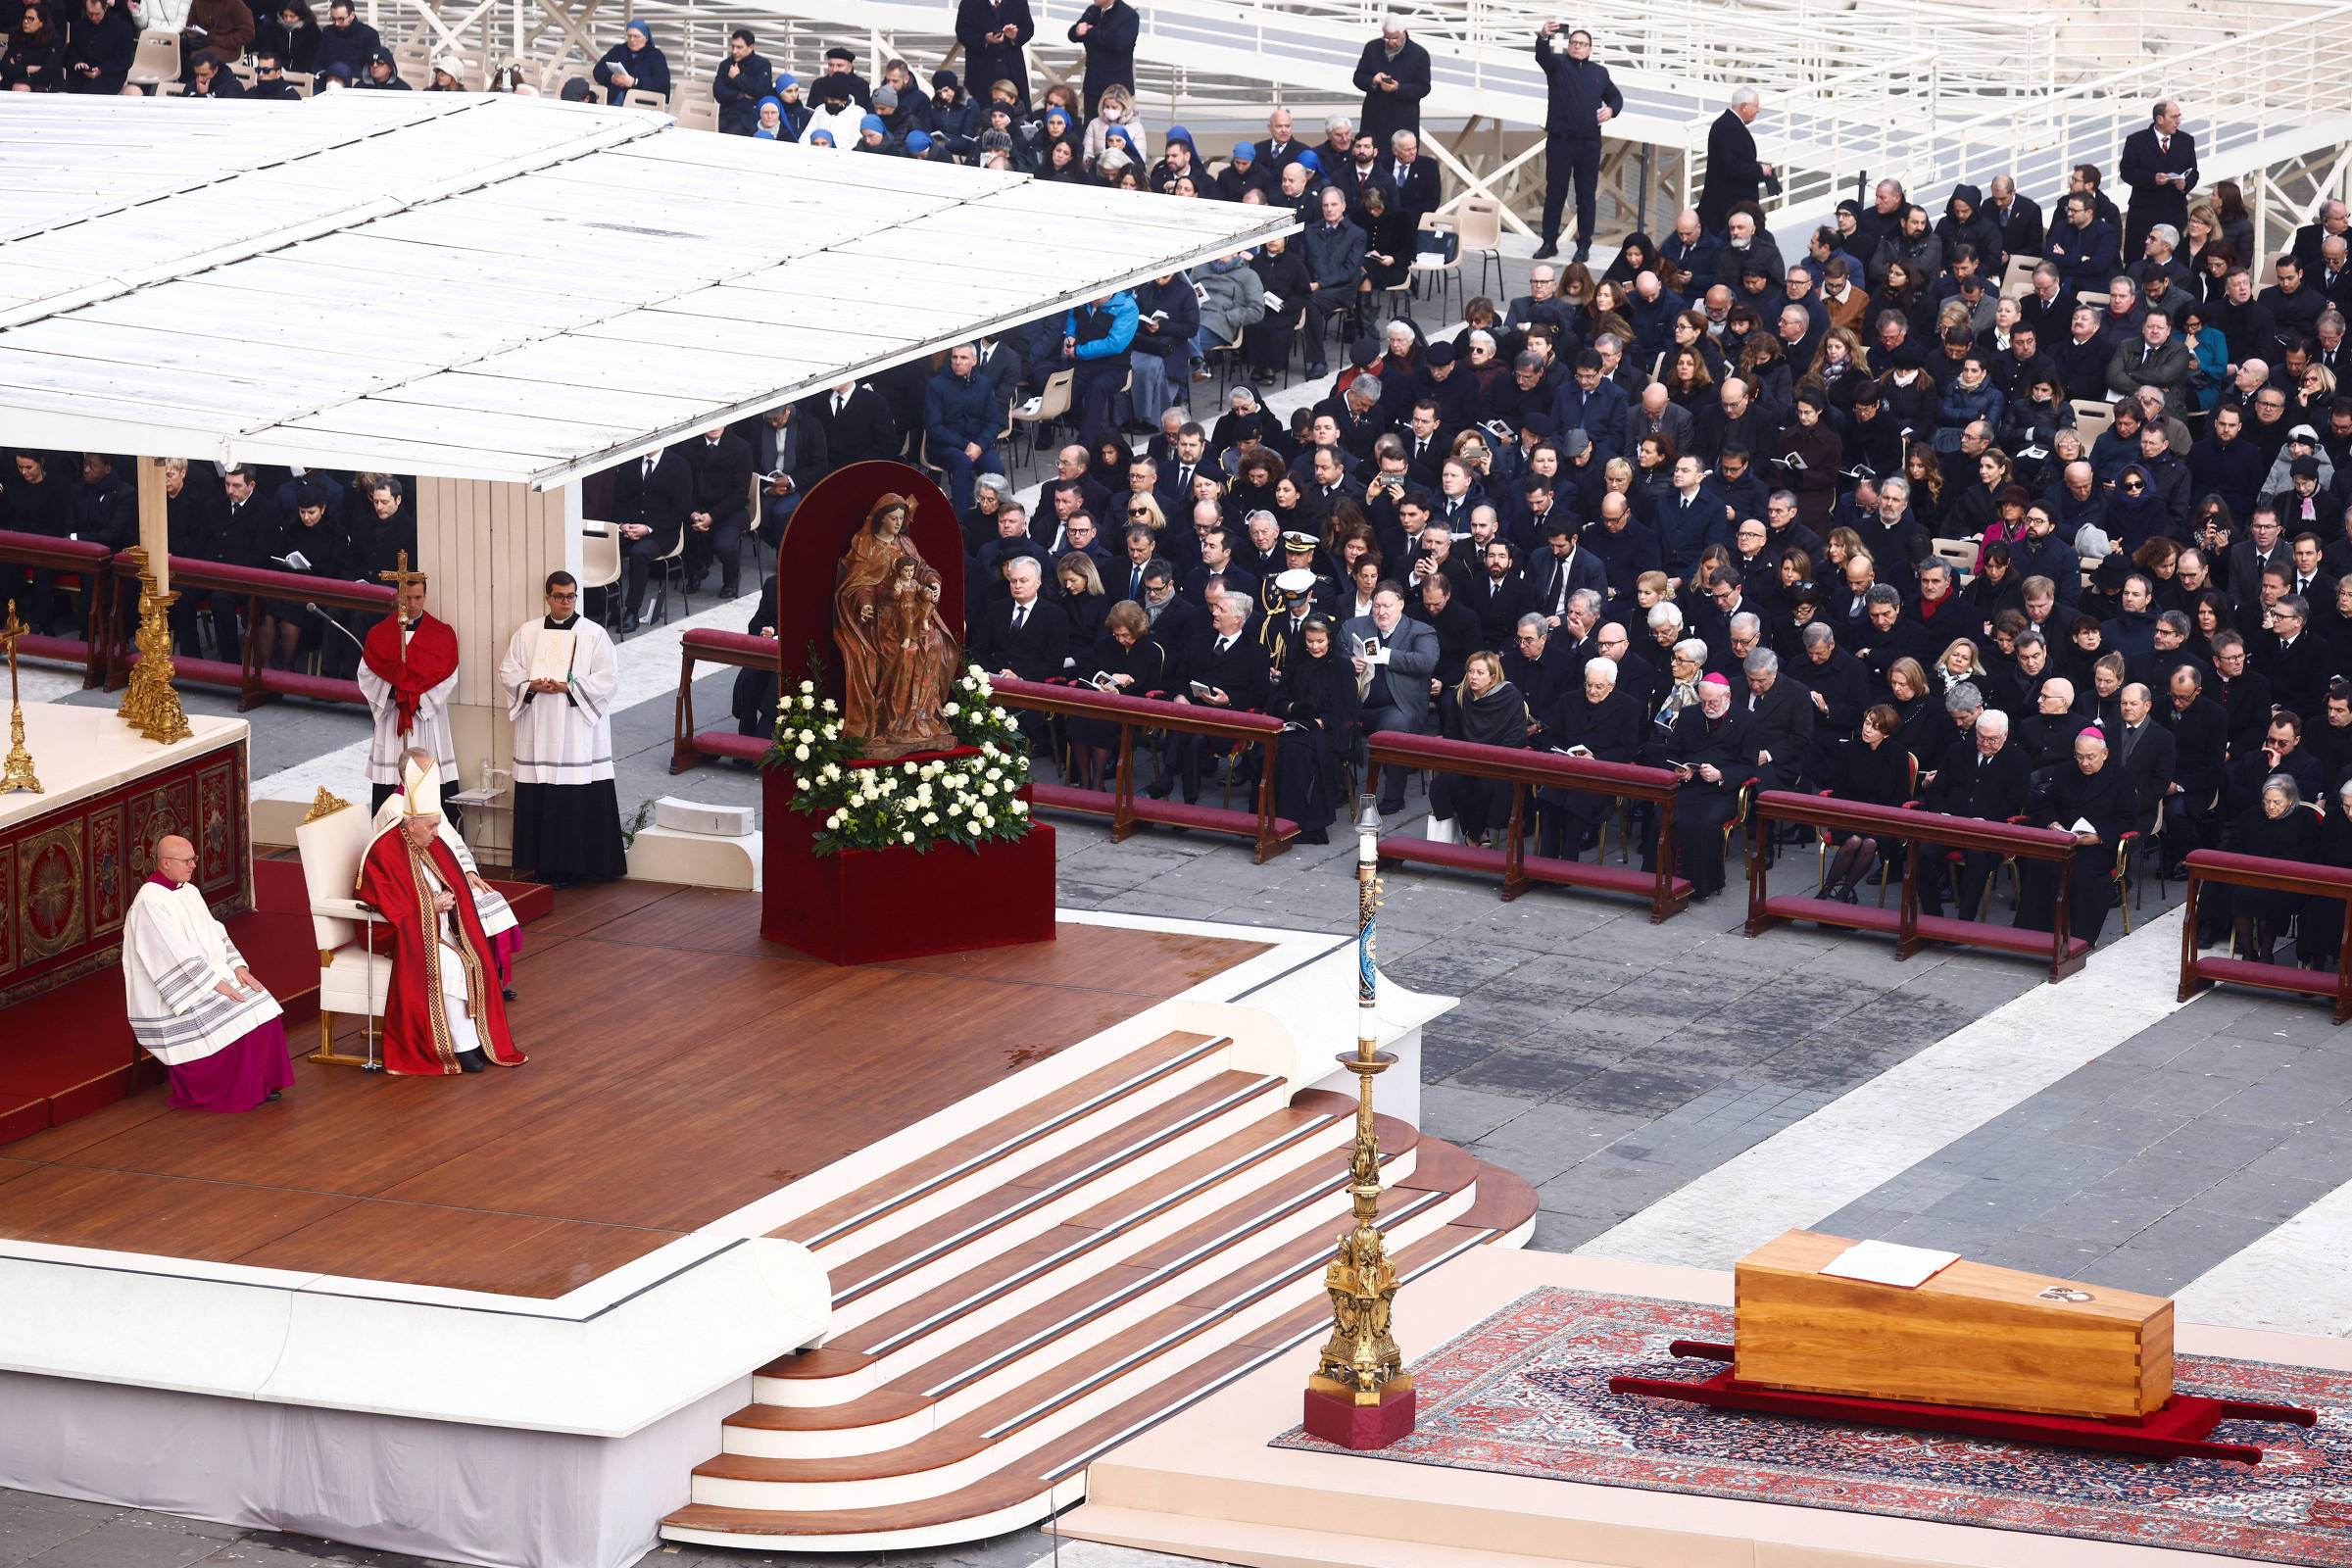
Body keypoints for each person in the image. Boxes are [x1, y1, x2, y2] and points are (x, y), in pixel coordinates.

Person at [360, 758, 526, 1076]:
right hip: (405, 933)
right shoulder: (384, 852)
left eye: (437, 825)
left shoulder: (429, 841)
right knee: (453, 966)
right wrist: (430, 906)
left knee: (476, 958)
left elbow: (454, 879)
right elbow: (383, 902)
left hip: (442, 927)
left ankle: (477, 1040)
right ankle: (464, 1050)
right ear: (410, 825)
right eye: (432, 826)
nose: (438, 833)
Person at [122, 835, 291, 1114]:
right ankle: (229, 1092)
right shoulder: (149, 903)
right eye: (187, 861)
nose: (193, 866)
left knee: (263, 1006)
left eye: (194, 859)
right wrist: (215, 984)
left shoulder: (187, 891)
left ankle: (261, 1085)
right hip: (179, 991)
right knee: (237, 1016)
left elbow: (215, 931)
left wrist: (237, 967)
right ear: (165, 863)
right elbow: (170, 955)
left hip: (209, 976)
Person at [499, 572, 627, 887]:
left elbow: (608, 678)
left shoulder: (593, 634)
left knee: (576, 796)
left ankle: (582, 868)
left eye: (571, 596)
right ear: (548, 597)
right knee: (543, 794)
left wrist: (569, 687)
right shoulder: (528, 633)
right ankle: (542, 867)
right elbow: (508, 671)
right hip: (540, 726)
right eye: (559, 596)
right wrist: (531, 684)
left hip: (576, 733)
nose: (566, 602)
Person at [370, 747, 522, 1000]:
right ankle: (477, 984)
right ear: (406, 775)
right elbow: (403, 858)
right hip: (426, 884)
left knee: (490, 898)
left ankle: (489, 980)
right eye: (425, 771)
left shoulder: (425, 800)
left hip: (449, 874)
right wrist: (447, 883)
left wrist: (469, 872)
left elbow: (453, 839)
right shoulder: (394, 808)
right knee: (469, 908)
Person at [357, 559, 459, 818]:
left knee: (429, 781)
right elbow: (366, 673)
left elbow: (449, 676)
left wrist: (416, 700)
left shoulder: (442, 634)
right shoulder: (380, 633)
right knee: (391, 779)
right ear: (398, 596)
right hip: (393, 718)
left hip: (427, 721)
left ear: (425, 596)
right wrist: (395, 694)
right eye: (407, 598)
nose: (412, 605)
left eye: (418, 597)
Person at [2016, 728, 2137, 946]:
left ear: (2105, 753)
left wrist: (2099, 837)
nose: (2084, 763)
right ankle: (2034, 936)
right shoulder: (2065, 771)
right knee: (2039, 865)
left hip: (2096, 848)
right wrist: (2052, 822)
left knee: (2082, 873)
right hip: (2063, 842)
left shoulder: (2122, 778)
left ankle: (2077, 939)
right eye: (2079, 757)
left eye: (2090, 757)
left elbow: (2127, 819)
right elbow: (2047, 804)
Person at [1649, 670, 1761, 898]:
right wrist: (1680, 769)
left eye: (1713, 702)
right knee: (1662, 817)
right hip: (1689, 788)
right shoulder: (1690, 715)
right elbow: (1672, 752)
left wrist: (1721, 774)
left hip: (1722, 792)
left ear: (1728, 696)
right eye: (1704, 702)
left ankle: (1701, 884)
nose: (1708, 707)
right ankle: (1657, 880)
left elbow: (1749, 765)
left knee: (1704, 825)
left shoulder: (1747, 721)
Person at [1346, 582, 1439, 813]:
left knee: (1394, 727)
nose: (1381, 612)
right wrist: (1348, 662)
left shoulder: (1420, 631)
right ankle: (1340, 789)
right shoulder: (1354, 626)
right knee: (1331, 721)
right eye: (1376, 606)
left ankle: (1394, 797)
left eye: (1387, 606)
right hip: (1356, 703)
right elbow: (1336, 653)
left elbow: (1425, 661)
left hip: (1396, 707)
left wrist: (1386, 655)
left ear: (1401, 605)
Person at [1532, 24, 1621, 262]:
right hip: (1560, 141)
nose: (1576, 46)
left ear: (1590, 49)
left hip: (1588, 144)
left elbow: (1615, 96)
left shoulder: (1599, 73)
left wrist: (1611, 109)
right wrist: (1543, 37)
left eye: (1581, 44)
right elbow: (1542, 56)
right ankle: (1549, 242)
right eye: (1573, 42)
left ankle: (1583, 246)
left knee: (1585, 195)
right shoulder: (1557, 65)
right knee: (1555, 193)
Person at [1272, 615, 1360, 844]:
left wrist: (1324, 721)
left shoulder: (1341, 667)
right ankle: (1272, 817)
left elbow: (1347, 710)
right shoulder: (1297, 663)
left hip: (1327, 731)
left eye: (1319, 641)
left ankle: (1299, 822)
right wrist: (1292, 707)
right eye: (1310, 641)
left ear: (1329, 640)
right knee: (1271, 750)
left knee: (1297, 753)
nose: (1314, 646)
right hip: (1294, 725)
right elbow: (1280, 698)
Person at [1430, 650, 1529, 845]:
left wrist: (1488, 757)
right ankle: (1476, 833)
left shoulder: (1510, 696)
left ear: (1493, 676)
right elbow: (1452, 734)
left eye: (1480, 673)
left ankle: (1474, 835)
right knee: (1451, 782)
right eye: (1470, 671)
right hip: (1467, 760)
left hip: (1498, 762)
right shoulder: (1460, 695)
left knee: (1486, 785)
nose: (1473, 677)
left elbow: (1516, 738)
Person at [2120, 99, 2199, 263]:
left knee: (2176, 262)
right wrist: (2152, 178)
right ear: (2159, 119)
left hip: (2174, 212)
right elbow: (2126, 172)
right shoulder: (2136, 141)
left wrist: (2185, 184)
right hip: (2144, 213)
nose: (2178, 121)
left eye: (2179, 116)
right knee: (2137, 261)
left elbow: (2194, 172)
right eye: (2174, 117)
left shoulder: (2186, 141)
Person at [1697, 89, 1771, 235]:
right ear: (1744, 106)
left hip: (1728, 206)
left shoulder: (1728, 124)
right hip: (1727, 208)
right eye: (1756, 105)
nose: (1758, 110)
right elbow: (1732, 166)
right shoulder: (1728, 127)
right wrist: (1759, 170)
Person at [1353, 13, 1430, 152]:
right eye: (1386, 37)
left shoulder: (1419, 54)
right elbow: (1358, 77)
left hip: (1403, 121)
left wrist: (1398, 88)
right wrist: (1373, 80)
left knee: (1402, 163)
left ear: (1404, 33)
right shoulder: (1372, 48)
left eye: (1394, 38)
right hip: (1374, 120)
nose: (1390, 42)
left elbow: (1423, 87)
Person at [1065, 0, 1135, 118]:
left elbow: (1118, 43)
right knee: (1090, 127)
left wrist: (1091, 31)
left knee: (1117, 129)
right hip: (1093, 85)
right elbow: (1074, 35)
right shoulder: (1092, 11)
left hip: (1117, 88)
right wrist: (1077, 31)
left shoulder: (1129, 16)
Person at [593, 19, 668, 104]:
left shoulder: (656, 56)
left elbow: (662, 82)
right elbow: (598, 70)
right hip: (613, 100)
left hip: (642, 104)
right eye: (629, 36)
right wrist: (612, 78)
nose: (632, 40)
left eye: (636, 36)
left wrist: (634, 82)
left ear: (646, 38)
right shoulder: (618, 50)